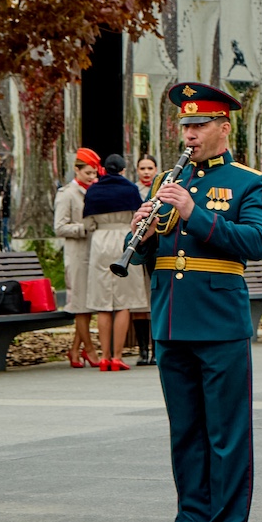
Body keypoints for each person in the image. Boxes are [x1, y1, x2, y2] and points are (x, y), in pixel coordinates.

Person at [131, 82, 262, 522]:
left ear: (223, 127)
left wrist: (193, 214)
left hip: (219, 322)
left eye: (198, 125)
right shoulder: (167, 182)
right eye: (185, 125)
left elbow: (256, 241)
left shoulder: (248, 182)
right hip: (172, 319)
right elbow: (159, 252)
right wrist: (145, 234)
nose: (189, 134)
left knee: (226, 432)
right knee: (185, 431)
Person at [83, 153, 149, 371]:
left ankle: (104, 357)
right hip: (122, 238)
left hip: (100, 241)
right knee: (123, 302)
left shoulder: (93, 190)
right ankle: (117, 356)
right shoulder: (130, 189)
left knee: (103, 303)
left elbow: (88, 222)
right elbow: (139, 216)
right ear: (123, 169)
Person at [54, 149, 101, 367]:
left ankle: (74, 350)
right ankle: (89, 349)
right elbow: (60, 226)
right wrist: (84, 228)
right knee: (80, 305)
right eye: (88, 173)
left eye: (94, 173)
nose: (92, 177)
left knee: (87, 305)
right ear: (77, 170)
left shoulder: (94, 191)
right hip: (77, 254)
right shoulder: (67, 194)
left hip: (93, 253)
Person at [131, 154, 160, 365]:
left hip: (155, 248)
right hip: (136, 245)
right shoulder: (132, 191)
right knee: (139, 301)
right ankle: (142, 350)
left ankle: (156, 349)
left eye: (150, 168)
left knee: (154, 298)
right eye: (143, 168)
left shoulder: (162, 187)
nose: (147, 172)